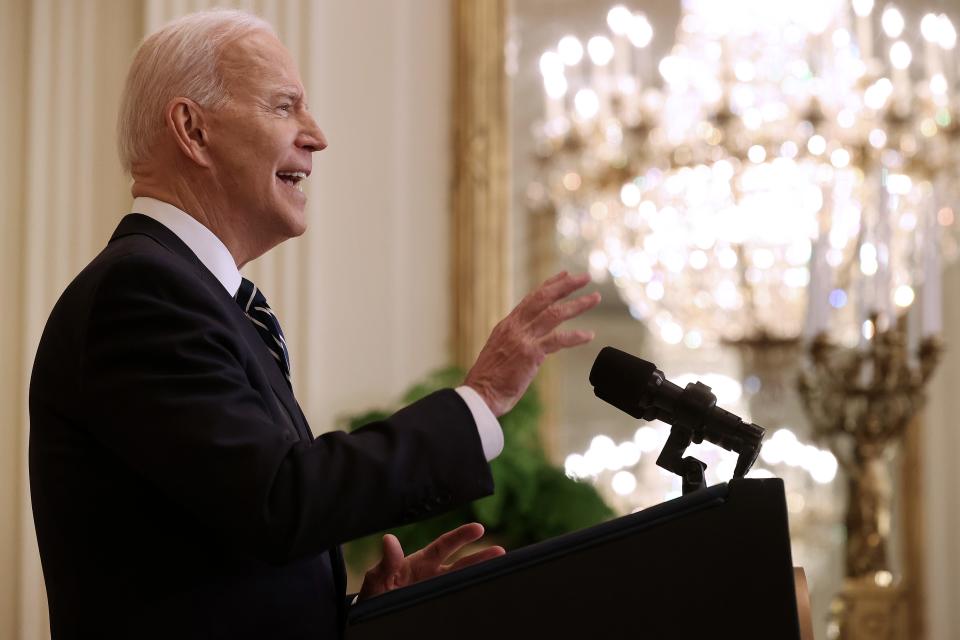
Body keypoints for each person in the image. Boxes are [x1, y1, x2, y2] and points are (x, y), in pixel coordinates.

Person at [28, 9, 600, 640]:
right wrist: (482, 398)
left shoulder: (199, 297)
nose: (317, 135)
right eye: (284, 107)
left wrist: (355, 612)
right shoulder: (139, 293)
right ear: (192, 130)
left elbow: (231, 541)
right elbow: (280, 499)